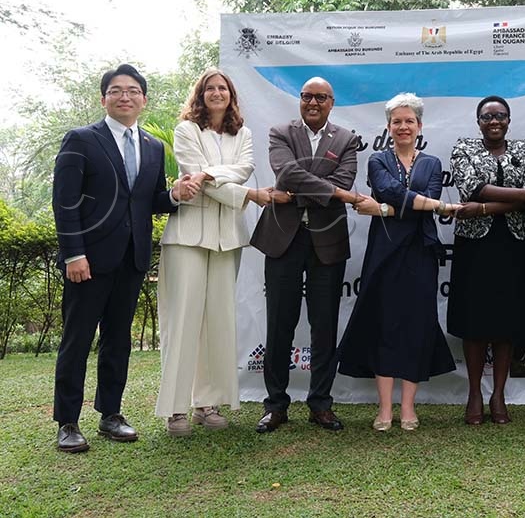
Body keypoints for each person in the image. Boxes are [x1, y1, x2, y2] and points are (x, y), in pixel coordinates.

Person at [52, 63, 196, 453]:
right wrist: (74, 254)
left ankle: (110, 415)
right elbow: (64, 203)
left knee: (118, 341)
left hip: (132, 259)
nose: (125, 96)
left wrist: (176, 196)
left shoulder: (151, 146)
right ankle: (67, 422)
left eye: (132, 91)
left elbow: (147, 202)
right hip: (89, 261)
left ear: (143, 100)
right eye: (116, 90)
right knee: (77, 340)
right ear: (104, 98)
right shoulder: (81, 139)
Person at [155, 67, 278, 436]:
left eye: (223, 87)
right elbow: (197, 176)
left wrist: (210, 175)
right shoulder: (185, 130)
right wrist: (250, 195)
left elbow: (242, 169)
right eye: (210, 88)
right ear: (200, 94)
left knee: (217, 320)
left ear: (232, 94)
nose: (217, 92)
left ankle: (205, 404)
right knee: (183, 323)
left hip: (228, 237)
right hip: (187, 236)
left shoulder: (244, 133)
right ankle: (175, 410)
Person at [340, 92, 458, 431]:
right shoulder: (377, 160)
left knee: (416, 326)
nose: (403, 127)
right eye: (397, 122)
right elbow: (390, 190)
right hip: (385, 251)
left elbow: (428, 198)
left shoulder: (432, 162)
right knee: (384, 325)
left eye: (409, 121)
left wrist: (386, 209)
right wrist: (408, 206)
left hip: (421, 251)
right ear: (388, 127)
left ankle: (408, 407)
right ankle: (384, 409)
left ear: (420, 126)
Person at [250, 77, 361, 434]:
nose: (313, 103)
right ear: (300, 100)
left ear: (332, 102)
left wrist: (296, 188)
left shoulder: (346, 139)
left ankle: (320, 404)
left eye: (320, 98)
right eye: (307, 96)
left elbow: (341, 183)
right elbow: (285, 171)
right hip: (282, 238)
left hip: (326, 242)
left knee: (324, 325)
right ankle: (276, 405)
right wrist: (331, 192)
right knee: (279, 323)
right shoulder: (280, 131)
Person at [447, 96, 525, 425]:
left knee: (507, 321)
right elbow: (471, 188)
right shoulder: (464, 147)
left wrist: (487, 203)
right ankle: (474, 393)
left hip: (512, 245)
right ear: (478, 121)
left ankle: (498, 394)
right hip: (473, 246)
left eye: (500, 115)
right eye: (487, 116)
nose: (494, 121)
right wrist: (522, 196)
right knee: (474, 320)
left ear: (509, 120)